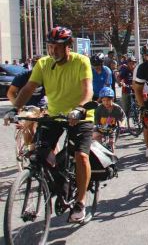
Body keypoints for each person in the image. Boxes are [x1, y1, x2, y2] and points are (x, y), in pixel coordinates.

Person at [12, 26, 94, 223]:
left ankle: (81, 202)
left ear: (68, 46)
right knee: (39, 153)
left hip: (80, 115)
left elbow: (87, 90)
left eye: (57, 47)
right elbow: (29, 88)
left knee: (81, 156)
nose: (52, 51)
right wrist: (15, 108)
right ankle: (59, 184)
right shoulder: (43, 63)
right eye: (50, 47)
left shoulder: (81, 61)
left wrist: (80, 108)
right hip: (54, 115)